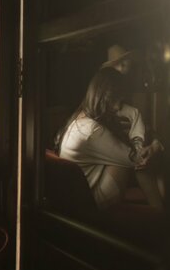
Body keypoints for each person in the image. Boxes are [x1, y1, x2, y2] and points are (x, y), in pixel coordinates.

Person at [55, 67, 164, 210]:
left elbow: (130, 115)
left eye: (121, 101)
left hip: (78, 194)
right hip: (90, 201)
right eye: (116, 99)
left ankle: (159, 208)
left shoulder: (81, 117)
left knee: (137, 147)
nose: (119, 106)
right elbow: (138, 159)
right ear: (104, 95)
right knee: (141, 159)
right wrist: (157, 145)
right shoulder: (92, 130)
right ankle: (159, 210)